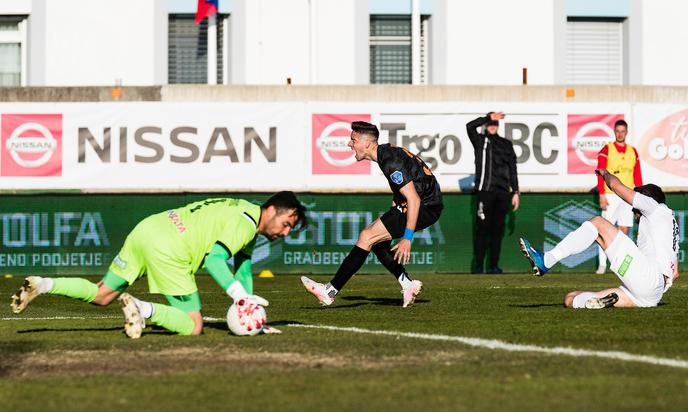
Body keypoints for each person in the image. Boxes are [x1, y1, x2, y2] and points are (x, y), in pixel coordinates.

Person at [11, 192, 308, 338]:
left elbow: (242, 267)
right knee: (193, 326)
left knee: (102, 294)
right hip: (170, 247)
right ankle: (143, 309)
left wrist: (252, 310)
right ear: (271, 210)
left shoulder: (245, 214)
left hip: (148, 228)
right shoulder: (245, 223)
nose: (283, 233)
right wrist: (239, 298)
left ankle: (44, 283)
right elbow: (216, 260)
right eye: (285, 224)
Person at [301, 121, 443, 308]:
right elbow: (407, 184)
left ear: (367, 143)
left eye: (353, 139)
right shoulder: (388, 154)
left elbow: (414, 199)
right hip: (427, 204)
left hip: (425, 206)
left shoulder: (389, 160)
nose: (349, 144)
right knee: (376, 242)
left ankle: (329, 291)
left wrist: (407, 237)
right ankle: (407, 284)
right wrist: (395, 206)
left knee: (367, 236)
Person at [519, 169, 678, 309]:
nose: (634, 211)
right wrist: (651, 288)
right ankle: (596, 304)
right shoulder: (671, 225)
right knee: (571, 299)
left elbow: (616, 187)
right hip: (652, 296)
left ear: (647, 198)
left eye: (636, 208)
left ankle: (546, 260)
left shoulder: (652, 206)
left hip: (647, 277)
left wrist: (605, 174)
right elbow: (675, 273)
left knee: (598, 223)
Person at [466, 111, 519, 274]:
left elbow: (512, 169)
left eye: (495, 124)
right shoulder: (480, 141)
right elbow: (469, 126)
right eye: (490, 123)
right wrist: (488, 117)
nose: (492, 126)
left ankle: (493, 266)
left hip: (502, 193)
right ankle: (478, 265)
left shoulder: (506, 144)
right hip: (485, 192)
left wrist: (516, 191)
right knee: (482, 230)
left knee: (497, 231)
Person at [595, 119, 643, 274]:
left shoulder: (632, 151)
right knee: (604, 228)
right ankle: (602, 264)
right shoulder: (607, 149)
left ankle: (616, 262)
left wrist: (640, 194)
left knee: (624, 229)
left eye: (623, 131)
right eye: (618, 131)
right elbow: (600, 172)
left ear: (627, 132)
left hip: (628, 195)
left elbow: (637, 175)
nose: (620, 134)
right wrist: (602, 194)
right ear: (614, 132)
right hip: (611, 194)